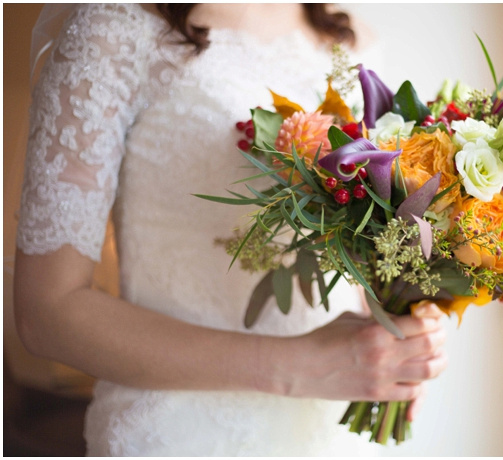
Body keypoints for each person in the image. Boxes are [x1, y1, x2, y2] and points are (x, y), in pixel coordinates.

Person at [13, 4, 448, 456]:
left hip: (330, 428)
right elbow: (47, 312)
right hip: (179, 432)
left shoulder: (351, 39)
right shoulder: (113, 26)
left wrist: (396, 338)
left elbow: (357, 246)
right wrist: (300, 365)